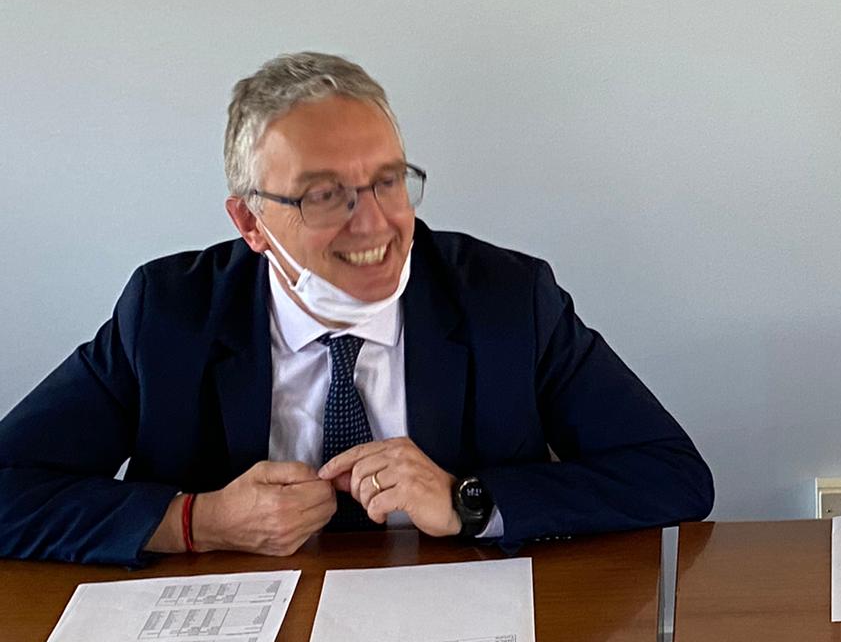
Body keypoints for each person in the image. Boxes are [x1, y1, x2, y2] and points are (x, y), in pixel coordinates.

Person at [0, 53, 714, 565]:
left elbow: (672, 474)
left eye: (389, 182)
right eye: (323, 195)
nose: (373, 223)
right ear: (250, 222)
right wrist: (197, 521)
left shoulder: (507, 299)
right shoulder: (168, 315)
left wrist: (468, 500)